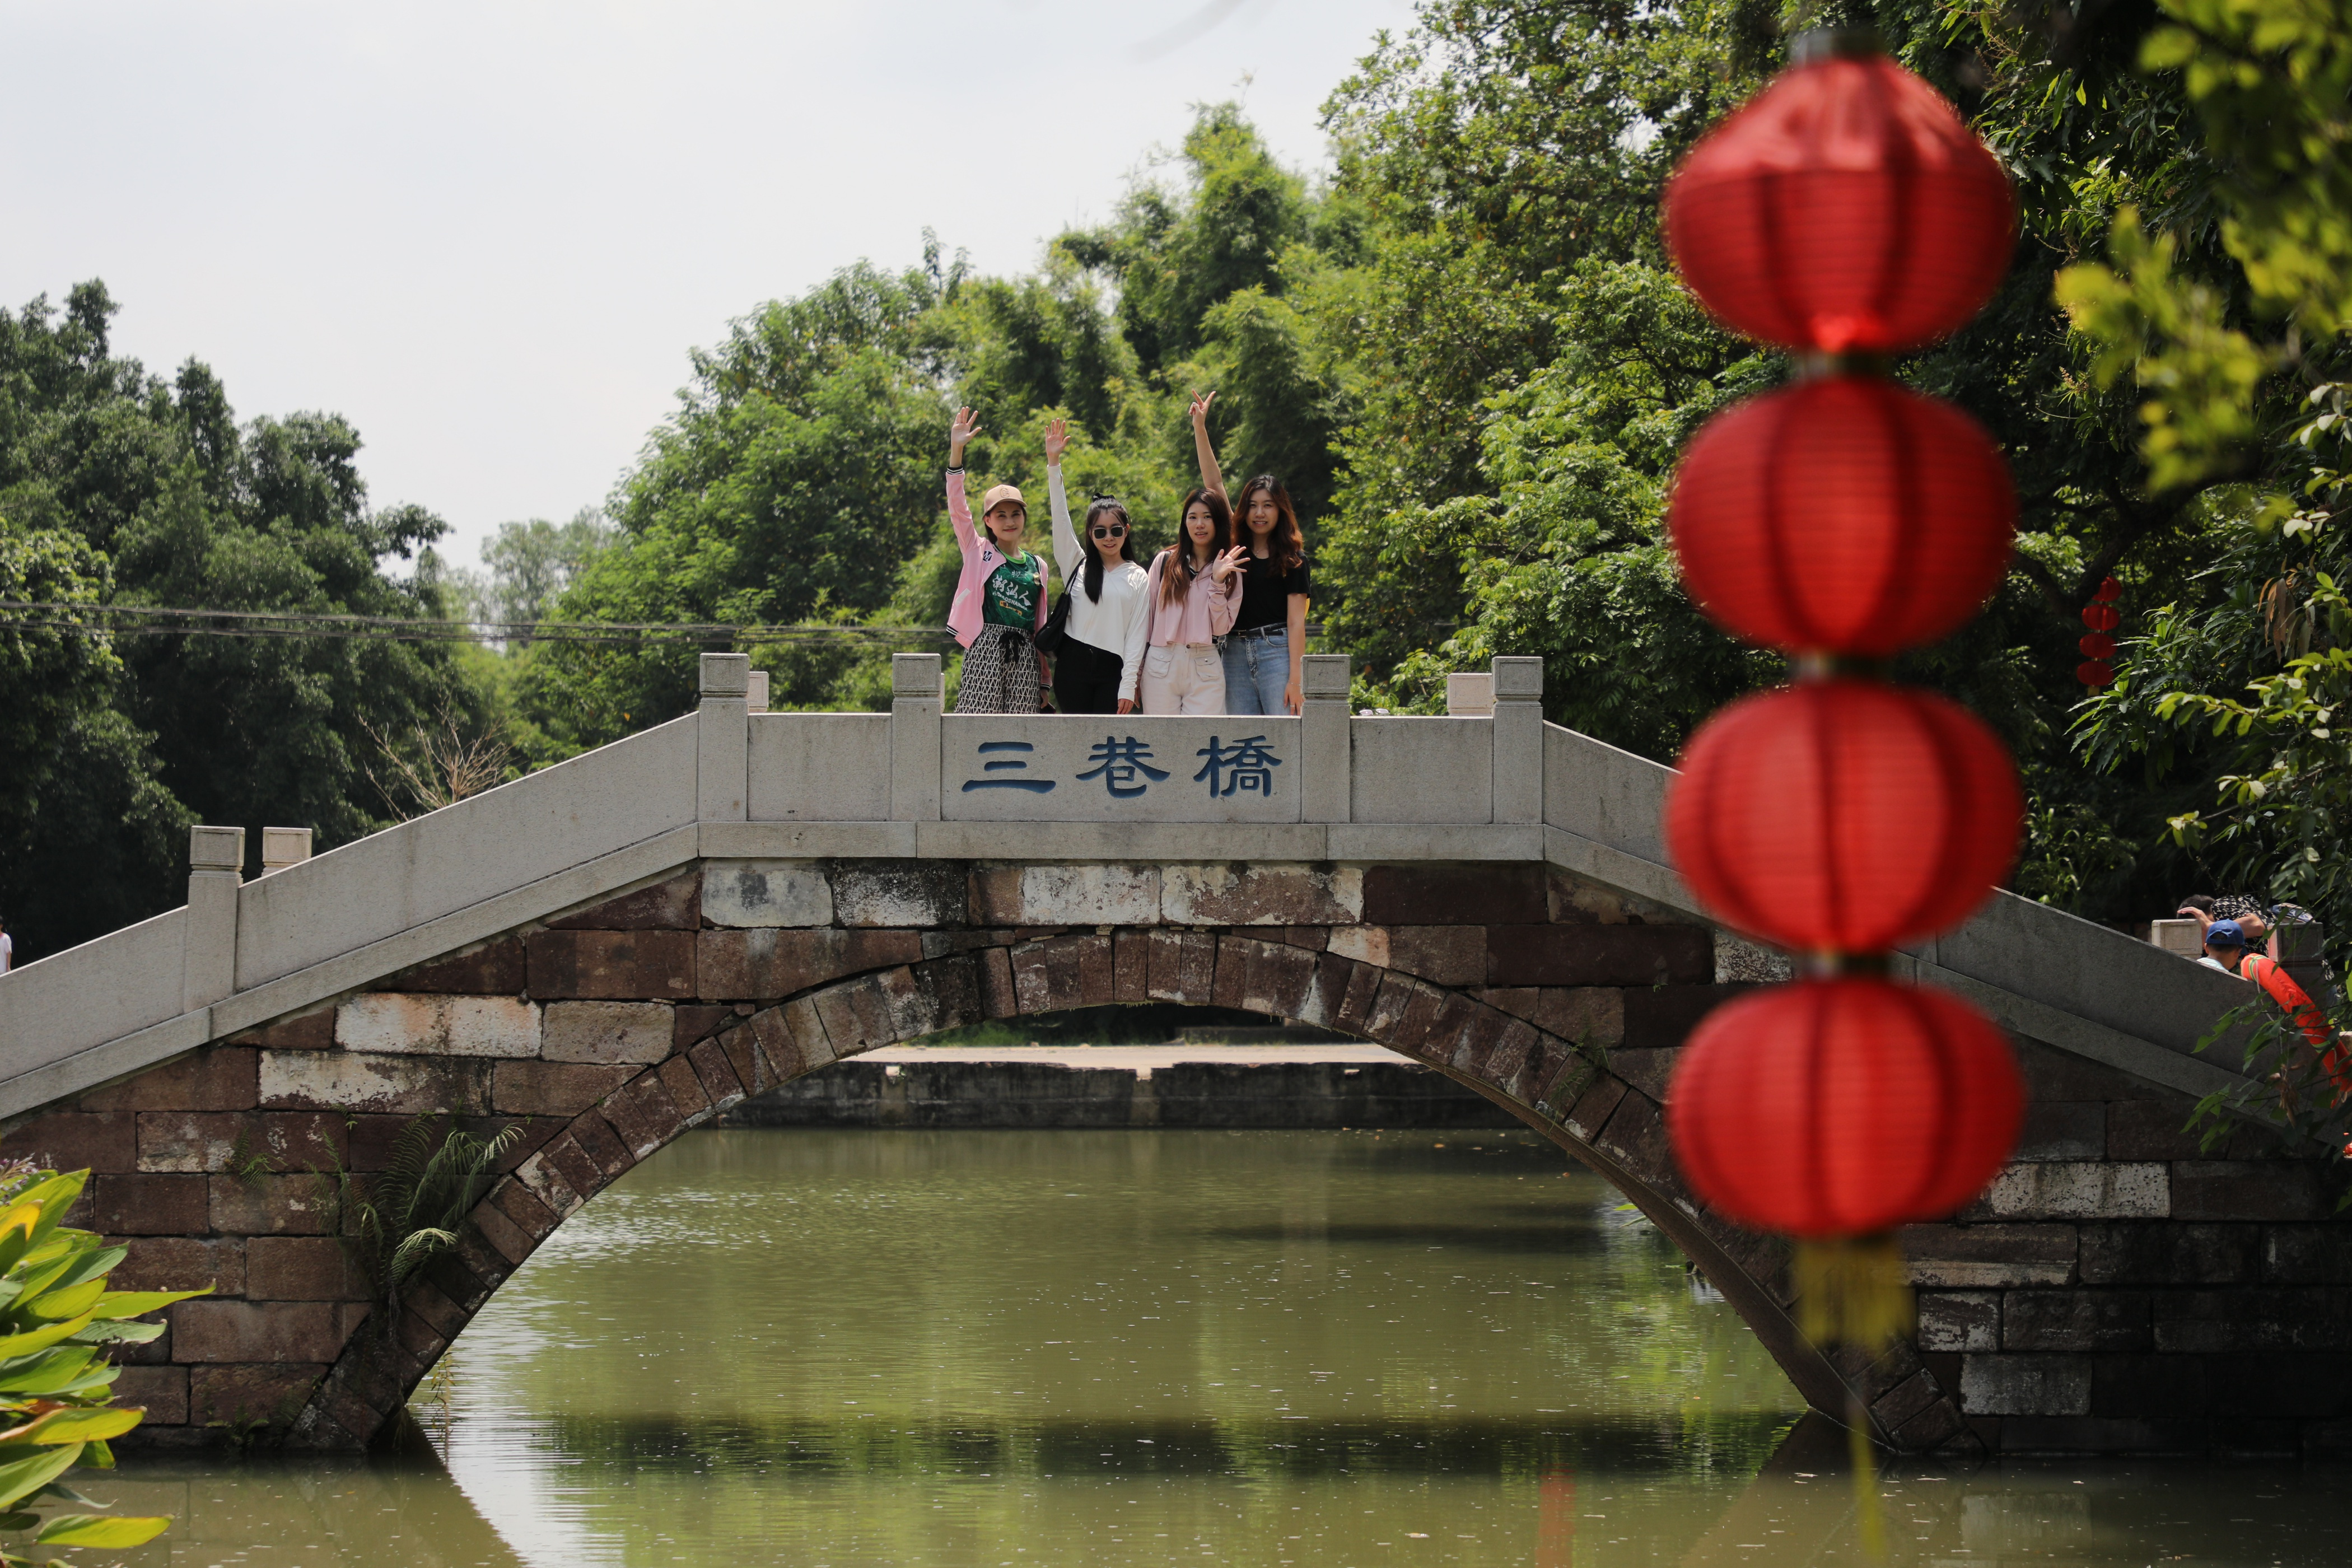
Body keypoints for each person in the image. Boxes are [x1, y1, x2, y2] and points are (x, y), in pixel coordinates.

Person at [1191, 391, 1312, 715]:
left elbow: (1296, 622)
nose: (1260, 513)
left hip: (1277, 652)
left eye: (1268, 506)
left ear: (1280, 510)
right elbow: (1214, 483)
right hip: (1232, 654)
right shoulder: (1234, 544)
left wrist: (1296, 680)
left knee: (1284, 737)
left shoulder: (1294, 559)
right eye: (1254, 505)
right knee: (1245, 742)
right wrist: (1200, 428)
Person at [944, 407, 1049, 714]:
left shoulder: (1037, 566)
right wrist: (956, 452)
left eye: (1015, 513)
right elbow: (958, 509)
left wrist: (1044, 680)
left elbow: (1039, 625)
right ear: (988, 520)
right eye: (1000, 515)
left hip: (1025, 652)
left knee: (1022, 732)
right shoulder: (978, 551)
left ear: (1024, 518)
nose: (1009, 521)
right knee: (976, 728)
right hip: (985, 645)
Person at [1043, 418, 1149, 715]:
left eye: (1116, 530)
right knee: (1076, 748)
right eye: (1099, 531)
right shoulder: (1077, 563)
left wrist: (1129, 685)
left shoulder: (1138, 577)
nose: (1109, 537)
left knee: (1108, 749)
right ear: (1090, 534)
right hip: (1072, 668)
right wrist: (1054, 464)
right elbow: (1060, 520)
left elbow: (1137, 636)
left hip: (1113, 673)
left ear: (1126, 531)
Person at [1139, 489, 1245, 715]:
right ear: (1184, 522)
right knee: (1160, 742)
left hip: (1205, 663)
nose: (1200, 524)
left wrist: (1217, 581)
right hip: (1160, 662)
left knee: (1202, 744)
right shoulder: (1165, 562)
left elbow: (1221, 628)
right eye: (1193, 517)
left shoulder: (1230, 571)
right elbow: (1146, 622)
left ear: (1218, 522)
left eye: (1207, 517)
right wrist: (1136, 675)